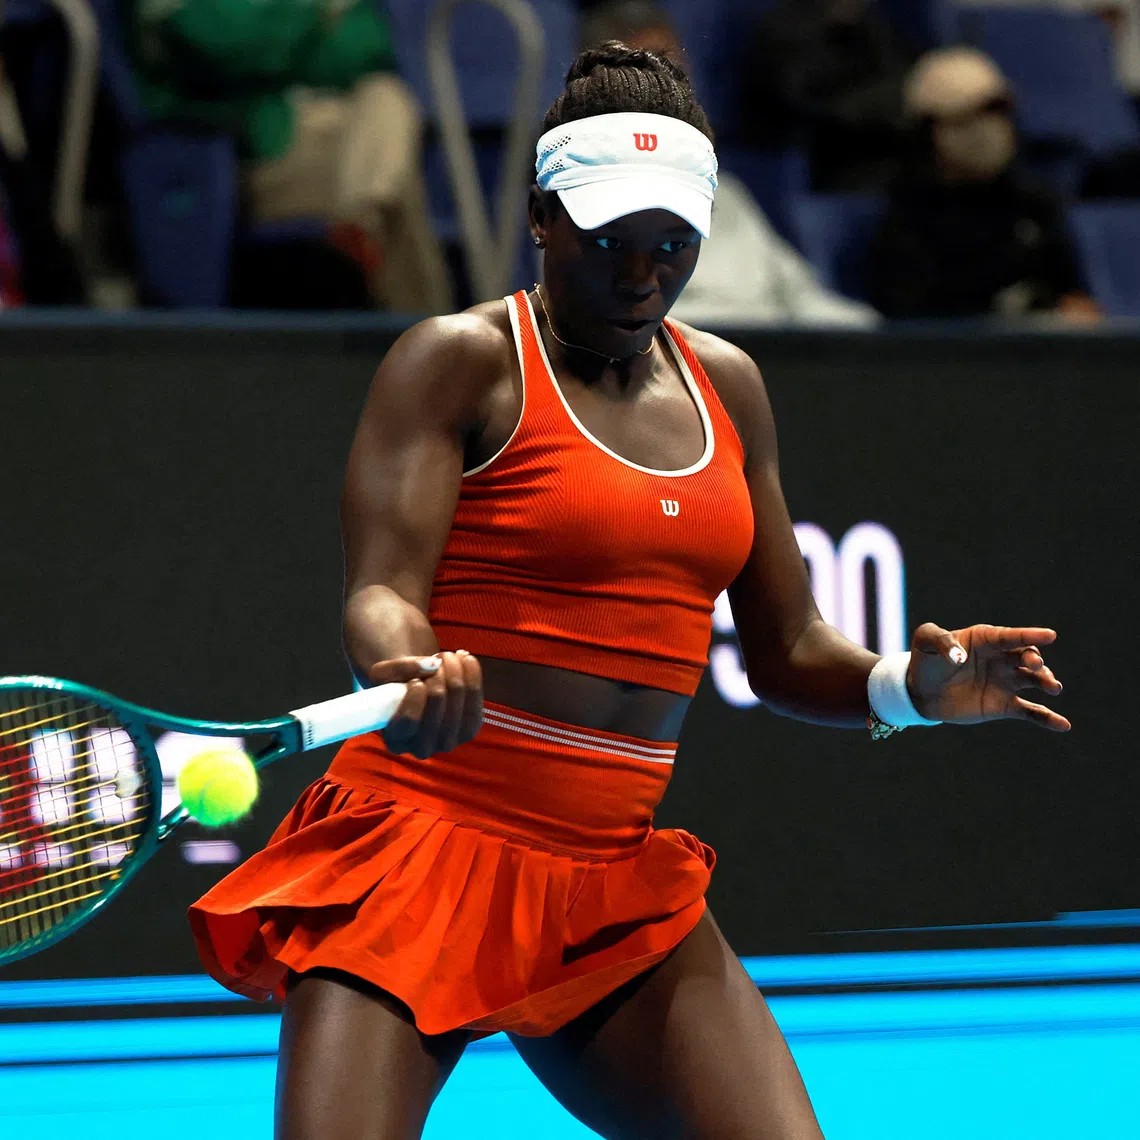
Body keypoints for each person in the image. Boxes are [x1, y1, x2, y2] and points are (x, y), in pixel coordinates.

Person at [188, 43, 1068, 1139]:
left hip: (609, 881)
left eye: (673, 244)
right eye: (610, 241)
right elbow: (380, 589)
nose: (642, 275)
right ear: (543, 216)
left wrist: (910, 685)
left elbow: (789, 647)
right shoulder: (459, 361)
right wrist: (402, 663)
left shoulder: (730, 390)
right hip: (423, 847)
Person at [126, 0, 451, 313]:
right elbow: (222, 43)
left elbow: (366, 49)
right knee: (395, 187)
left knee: (386, 96)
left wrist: (278, 31)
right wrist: (312, 17)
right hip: (237, 152)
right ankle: (443, 351)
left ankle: (363, 223)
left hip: (332, 137)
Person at [584, 0, 880, 327]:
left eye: (674, 68)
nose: (668, 87)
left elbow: (802, 297)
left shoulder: (726, 194)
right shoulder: (581, 202)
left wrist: (869, 334)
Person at [868, 47, 1101, 321]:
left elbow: (1074, 295)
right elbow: (913, 317)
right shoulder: (910, 218)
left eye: (998, 113)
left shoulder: (1034, 206)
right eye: (968, 117)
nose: (989, 129)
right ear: (929, 131)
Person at [740, 0, 914, 192]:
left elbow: (902, 77)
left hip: (883, 150)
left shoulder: (871, 25)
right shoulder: (787, 30)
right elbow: (802, 103)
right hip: (824, 162)